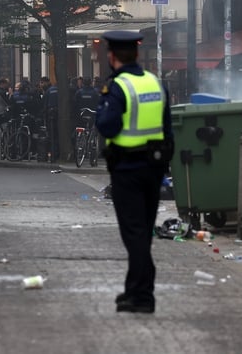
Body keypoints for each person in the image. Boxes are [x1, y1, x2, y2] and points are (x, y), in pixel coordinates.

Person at [95, 31, 173, 314]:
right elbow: (168, 127)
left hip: (127, 168)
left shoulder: (118, 86)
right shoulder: (154, 82)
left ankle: (142, 296)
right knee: (143, 231)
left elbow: (108, 126)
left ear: (112, 56)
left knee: (134, 233)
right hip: (153, 167)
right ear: (137, 55)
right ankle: (134, 289)